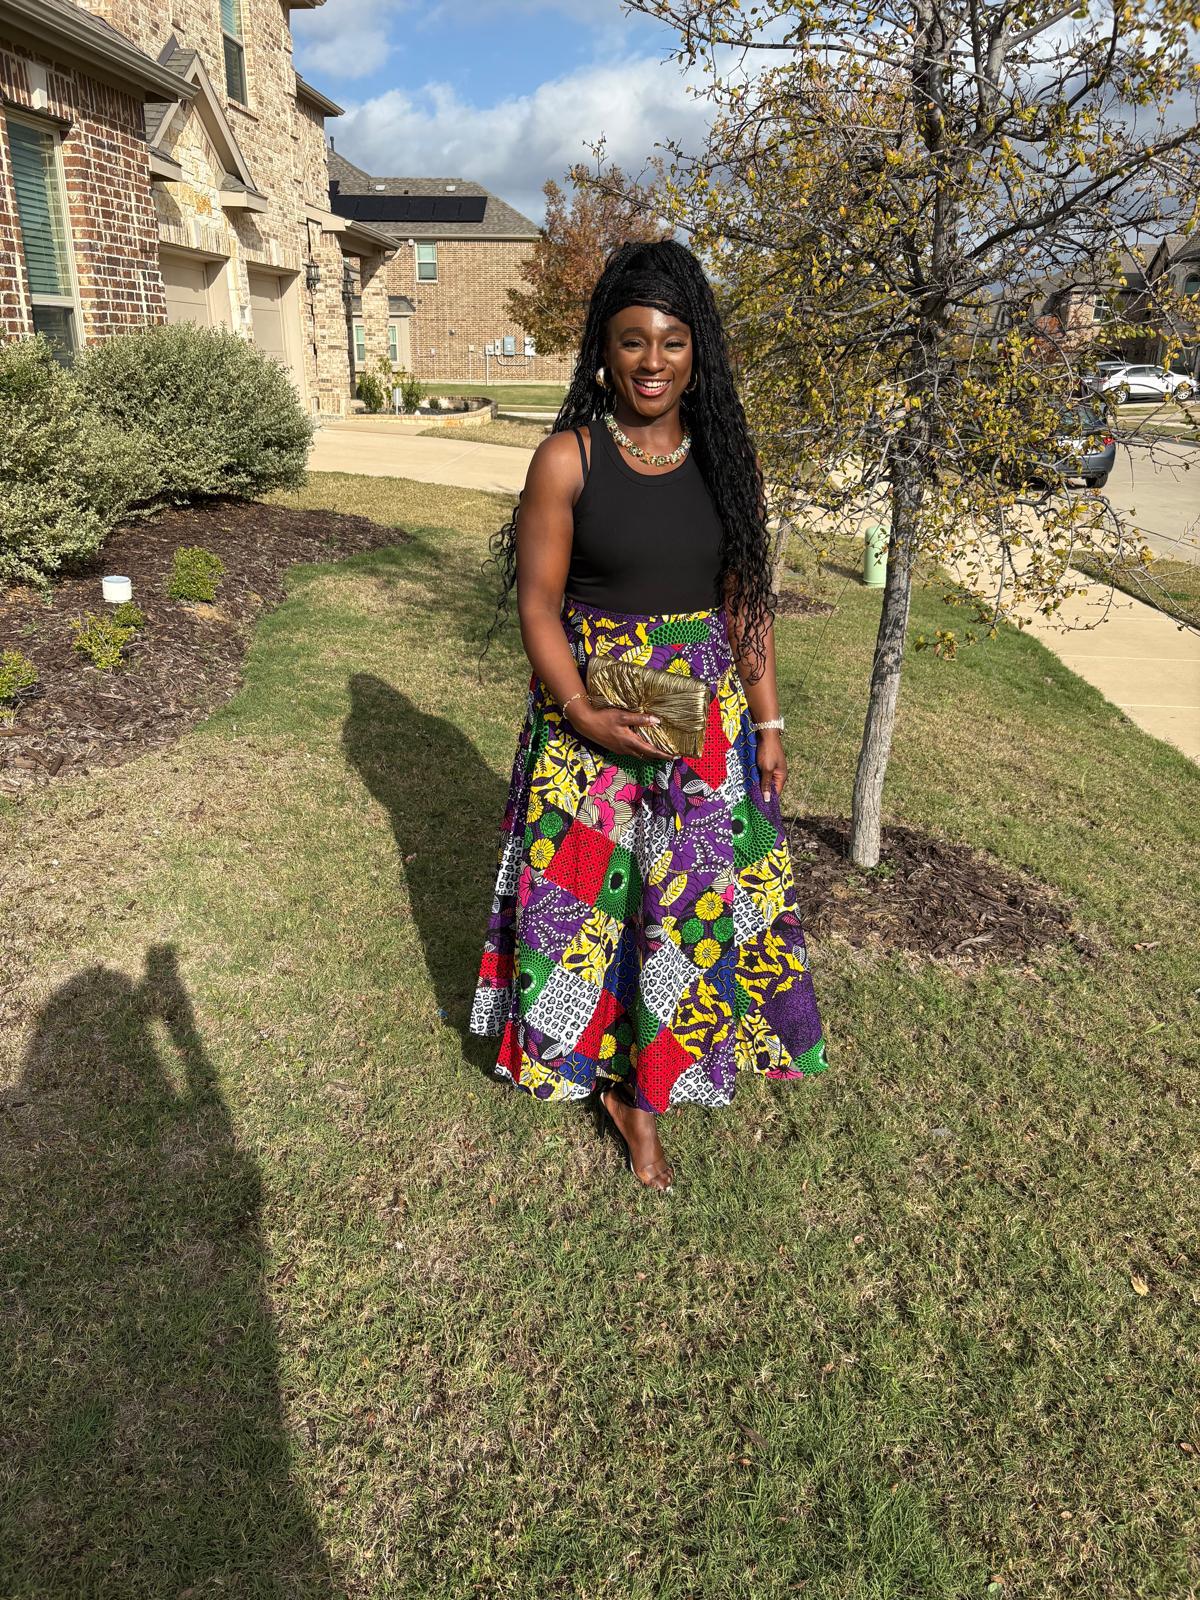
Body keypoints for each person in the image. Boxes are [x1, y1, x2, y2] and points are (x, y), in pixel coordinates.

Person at [470, 239, 828, 1192]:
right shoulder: (567, 460)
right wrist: (582, 710)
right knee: (594, 910)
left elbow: (745, 599)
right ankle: (608, 1080)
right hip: (590, 725)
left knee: (689, 909)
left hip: (700, 728)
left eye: (673, 340)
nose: (653, 360)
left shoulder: (725, 460)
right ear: (604, 351)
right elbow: (538, 607)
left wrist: (770, 722)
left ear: (697, 351)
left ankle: (649, 1088)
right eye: (633, 341)